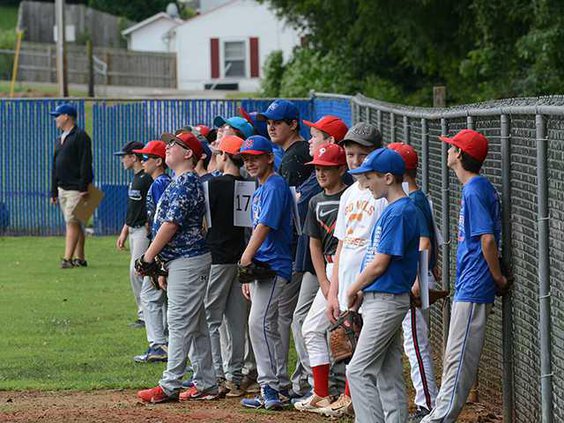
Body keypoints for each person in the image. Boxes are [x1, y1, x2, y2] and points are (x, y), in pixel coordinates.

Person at [421, 130, 509, 423]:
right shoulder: (475, 187)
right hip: (469, 283)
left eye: (452, 147)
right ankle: (439, 414)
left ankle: (439, 418)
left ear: (459, 154)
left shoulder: (474, 189)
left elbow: (487, 240)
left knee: (459, 359)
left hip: (475, 284)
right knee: (455, 356)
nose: (448, 151)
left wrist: (496, 278)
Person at [137, 131, 217, 403]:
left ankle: (170, 385)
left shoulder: (186, 182)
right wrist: (159, 262)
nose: (169, 147)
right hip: (181, 260)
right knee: (195, 325)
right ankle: (206, 382)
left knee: (179, 321)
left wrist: (148, 257)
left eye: (177, 144)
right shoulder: (177, 181)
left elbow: (171, 225)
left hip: (188, 259)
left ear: (189, 154)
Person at [346, 148, 421, 423]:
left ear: (388, 178)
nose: (365, 184)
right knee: (387, 373)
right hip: (381, 298)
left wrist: (353, 287)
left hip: (387, 300)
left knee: (358, 371)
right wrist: (363, 291)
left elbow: (380, 263)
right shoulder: (394, 210)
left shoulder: (400, 211)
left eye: (370, 177)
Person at [319, 122, 387, 418]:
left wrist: (359, 286)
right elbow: (342, 246)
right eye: (350, 154)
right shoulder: (348, 195)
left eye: (362, 155)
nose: (355, 161)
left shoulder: (382, 194)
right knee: (356, 359)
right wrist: (333, 294)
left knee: (369, 366)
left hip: (370, 290)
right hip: (347, 289)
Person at [256, 99, 314, 398]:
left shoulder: (294, 158)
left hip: (295, 250)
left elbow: (293, 215)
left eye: (277, 121)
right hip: (301, 248)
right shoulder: (292, 154)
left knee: (285, 317)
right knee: (287, 317)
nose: (271, 126)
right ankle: (292, 380)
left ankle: (299, 382)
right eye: (269, 121)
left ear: (294, 123)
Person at [289, 115, 350, 399]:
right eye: (317, 169)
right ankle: (322, 392)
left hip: (349, 270)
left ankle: (348, 395)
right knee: (312, 327)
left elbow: (348, 244)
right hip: (327, 270)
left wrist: (332, 283)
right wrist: (326, 284)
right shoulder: (316, 199)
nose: (320, 173)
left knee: (350, 332)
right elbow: (315, 244)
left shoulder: (353, 195)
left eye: (327, 168)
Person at [238, 135, 294, 411]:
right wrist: (249, 272)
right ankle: (278, 384)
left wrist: (246, 257)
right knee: (266, 325)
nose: (249, 162)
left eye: (255, 157)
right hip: (264, 267)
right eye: (246, 158)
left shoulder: (274, 185)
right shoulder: (261, 188)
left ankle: (270, 388)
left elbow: (265, 226)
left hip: (274, 265)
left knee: (257, 323)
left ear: (269, 158)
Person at [387, 142, 439, 420]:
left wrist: (419, 277)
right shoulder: (419, 197)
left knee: (415, 344)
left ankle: (428, 403)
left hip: (415, 278)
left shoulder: (414, 200)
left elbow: (426, 240)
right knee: (414, 342)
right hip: (418, 275)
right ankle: (427, 399)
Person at [203, 135, 248, 397]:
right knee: (236, 320)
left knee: (210, 318)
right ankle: (235, 375)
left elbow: (206, 223)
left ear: (224, 157)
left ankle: (216, 375)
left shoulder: (213, 185)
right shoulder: (247, 185)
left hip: (218, 257)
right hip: (240, 257)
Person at [131, 140, 170, 363]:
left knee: (150, 295)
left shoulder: (159, 184)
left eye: (147, 158)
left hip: (160, 248)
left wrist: (155, 255)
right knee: (158, 296)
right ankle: (163, 343)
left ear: (158, 161)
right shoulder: (159, 182)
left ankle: (158, 345)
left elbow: (163, 222)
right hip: (160, 247)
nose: (143, 161)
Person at [114, 141, 154, 329]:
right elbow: (133, 208)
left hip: (142, 231)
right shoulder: (136, 178)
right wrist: (124, 231)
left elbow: (153, 203)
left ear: (134, 157)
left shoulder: (147, 178)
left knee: (137, 270)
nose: (122, 160)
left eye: (124, 156)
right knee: (136, 271)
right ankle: (143, 313)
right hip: (133, 229)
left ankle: (146, 315)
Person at [49, 103, 93, 269]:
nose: (55, 120)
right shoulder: (59, 138)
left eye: (57, 116)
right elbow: (55, 166)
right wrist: (53, 190)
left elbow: (85, 163)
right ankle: (80, 258)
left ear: (66, 116)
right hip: (62, 188)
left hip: (76, 189)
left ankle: (67, 259)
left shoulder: (81, 136)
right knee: (76, 222)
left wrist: (84, 187)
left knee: (72, 222)